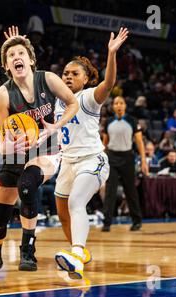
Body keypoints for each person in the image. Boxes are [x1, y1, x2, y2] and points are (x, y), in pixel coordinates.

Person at [0, 26, 79, 278]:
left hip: (47, 149)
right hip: (16, 151)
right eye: (10, 56)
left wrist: (57, 126)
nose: (16, 57)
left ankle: (28, 248)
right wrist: (4, 147)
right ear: (6, 66)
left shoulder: (48, 79)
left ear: (30, 59)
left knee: (28, 186)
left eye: (20, 53)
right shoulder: (2, 94)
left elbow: (72, 102)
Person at [53, 28, 128, 278]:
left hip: (91, 160)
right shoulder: (55, 101)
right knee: (63, 214)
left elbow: (109, 83)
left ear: (85, 79)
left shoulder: (87, 97)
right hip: (67, 163)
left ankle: (76, 253)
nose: (68, 77)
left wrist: (111, 53)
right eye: (65, 73)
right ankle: (79, 251)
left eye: (74, 73)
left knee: (76, 202)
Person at [101, 96, 148, 233]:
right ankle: (107, 222)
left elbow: (139, 142)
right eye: (116, 103)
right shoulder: (108, 122)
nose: (119, 105)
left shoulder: (132, 121)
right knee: (110, 190)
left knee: (130, 190)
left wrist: (144, 160)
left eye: (121, 103)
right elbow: (105, 143)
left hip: (127, 157)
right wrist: (102, 159)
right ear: (113, 107)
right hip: (111, 157)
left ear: (125, 105)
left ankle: (137, 221)